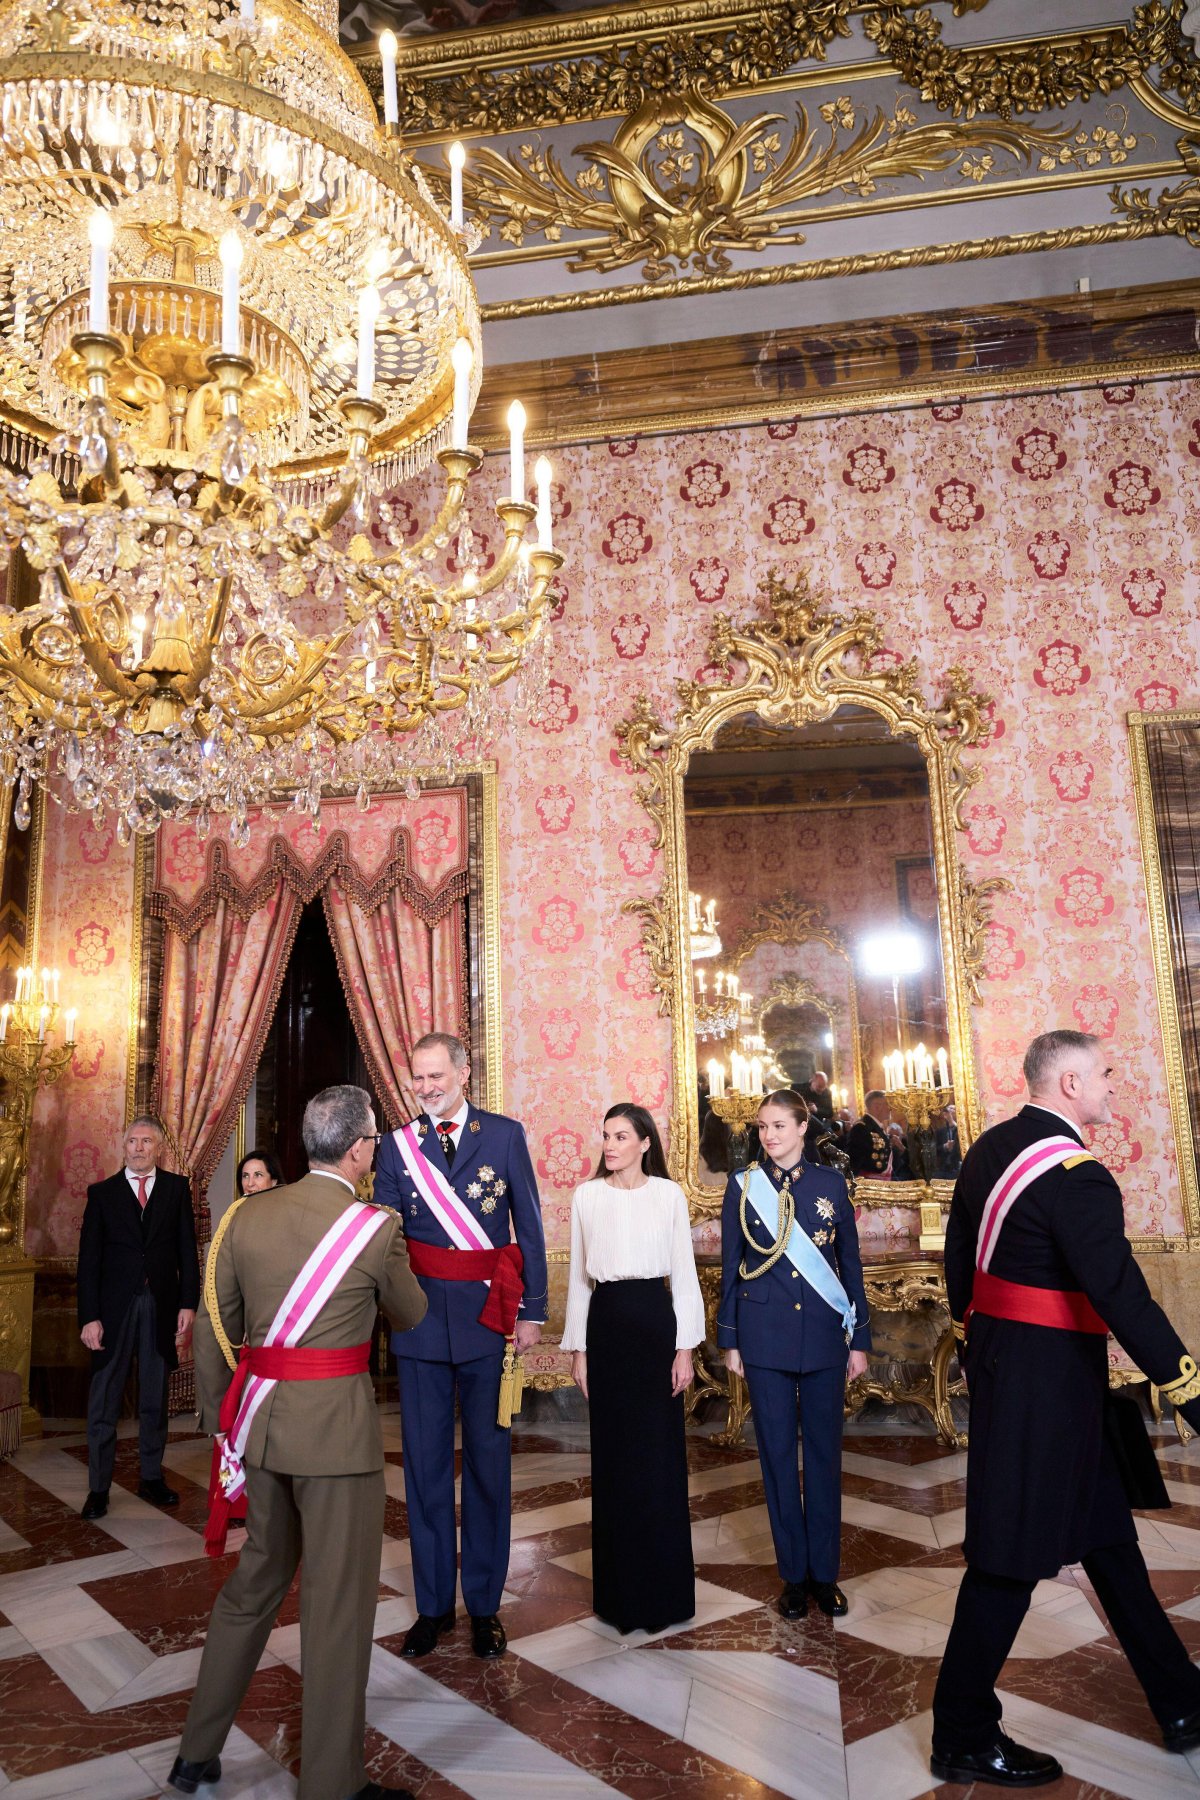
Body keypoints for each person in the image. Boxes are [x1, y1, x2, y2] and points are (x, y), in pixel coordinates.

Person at [931, 1030, 1200, 1789]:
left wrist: (986, 1347)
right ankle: (961, 1730)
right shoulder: (1077, 1176)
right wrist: (1189, 1388)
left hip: (1024, 1374)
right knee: (1010, 1554)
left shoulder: (988, 1148)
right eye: (1105, 1075)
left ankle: (1180, 1699)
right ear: (1071, 1084)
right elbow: (1121, 1295)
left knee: (1108, 1540)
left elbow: (959, 1260)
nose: (1114, 1086)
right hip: (1048, 1385)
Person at [168, 1085, 426, 1800]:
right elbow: (410, 1314)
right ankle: (332, 1787)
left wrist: (228, 1427)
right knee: (337, 1608)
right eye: (374, 1140)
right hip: (336, 1444)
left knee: (254, 1585)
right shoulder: (374, 1227)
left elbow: (220, 1329)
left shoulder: (247, 1218)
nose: (375, 1150)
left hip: (261, 1430)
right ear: (357, 1149)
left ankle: (196, 1754)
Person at [374, 1031, 547, 1660]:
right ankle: (430, 1607)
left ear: (463, 1073)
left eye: (435, 1076)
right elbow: (386, 1241)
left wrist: (531, 1312)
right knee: (422, 1472)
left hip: (486, 1323)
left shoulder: (503, 1135)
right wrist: (395, 1314)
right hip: (420, 1327)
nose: (425, 1088)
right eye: (417, 1079)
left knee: (486, 1468)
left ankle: (483, 1605)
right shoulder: (396, 1149)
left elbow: (527, 1226)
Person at [718, 1089, 871, 1618]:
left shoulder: (831, 1184)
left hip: (827, 1338)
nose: (769, 1135)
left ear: (803, 1128)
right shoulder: (742, 1186)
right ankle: (793, 1576)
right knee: (778, 1457)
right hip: (764, 1337)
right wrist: (730, 1339)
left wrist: (861, 1340)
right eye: (763, 1127)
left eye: (779, 1126)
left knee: (826, 1458)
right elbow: (730, 1267)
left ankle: (824, 1576)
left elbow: (849, 1267)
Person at [563, 1103, 705, 1634]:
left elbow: (685, 1276)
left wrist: (685, 1348)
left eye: (621, 1136)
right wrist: (578, 1350)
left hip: (655, 1327)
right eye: (605, 1135)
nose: (610, 1145)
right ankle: (618, 1598)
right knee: (615, 1460)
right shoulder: (587, 1196)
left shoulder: (668, 1195)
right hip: (606, 1328)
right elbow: (579, 1278)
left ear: (646, 1143)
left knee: (659, 1460)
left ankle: (664, 1596)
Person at [77, 1116, 199, 1520]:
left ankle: (151, 1477)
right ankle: (98, 1489)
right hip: (113, 1309)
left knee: (154, 1396)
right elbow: (88, 1262)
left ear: (158, 1148)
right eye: (132, 1140)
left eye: (147, 1141)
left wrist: (187, 1303)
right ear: (123, 1146)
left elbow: (187, 1250)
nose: (139, 1147)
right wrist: (90, 1317)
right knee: (104, 1400)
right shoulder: (102, 1194)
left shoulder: (177, 1189)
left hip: (160, 1304)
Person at [846, 1089, 893, 1178]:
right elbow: (854, 1161)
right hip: (869, 1185)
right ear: (877, 1107)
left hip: (881, 1182)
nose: (890, 1108)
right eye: (887, 1104)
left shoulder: (876, 1127)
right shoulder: (861, 1128)